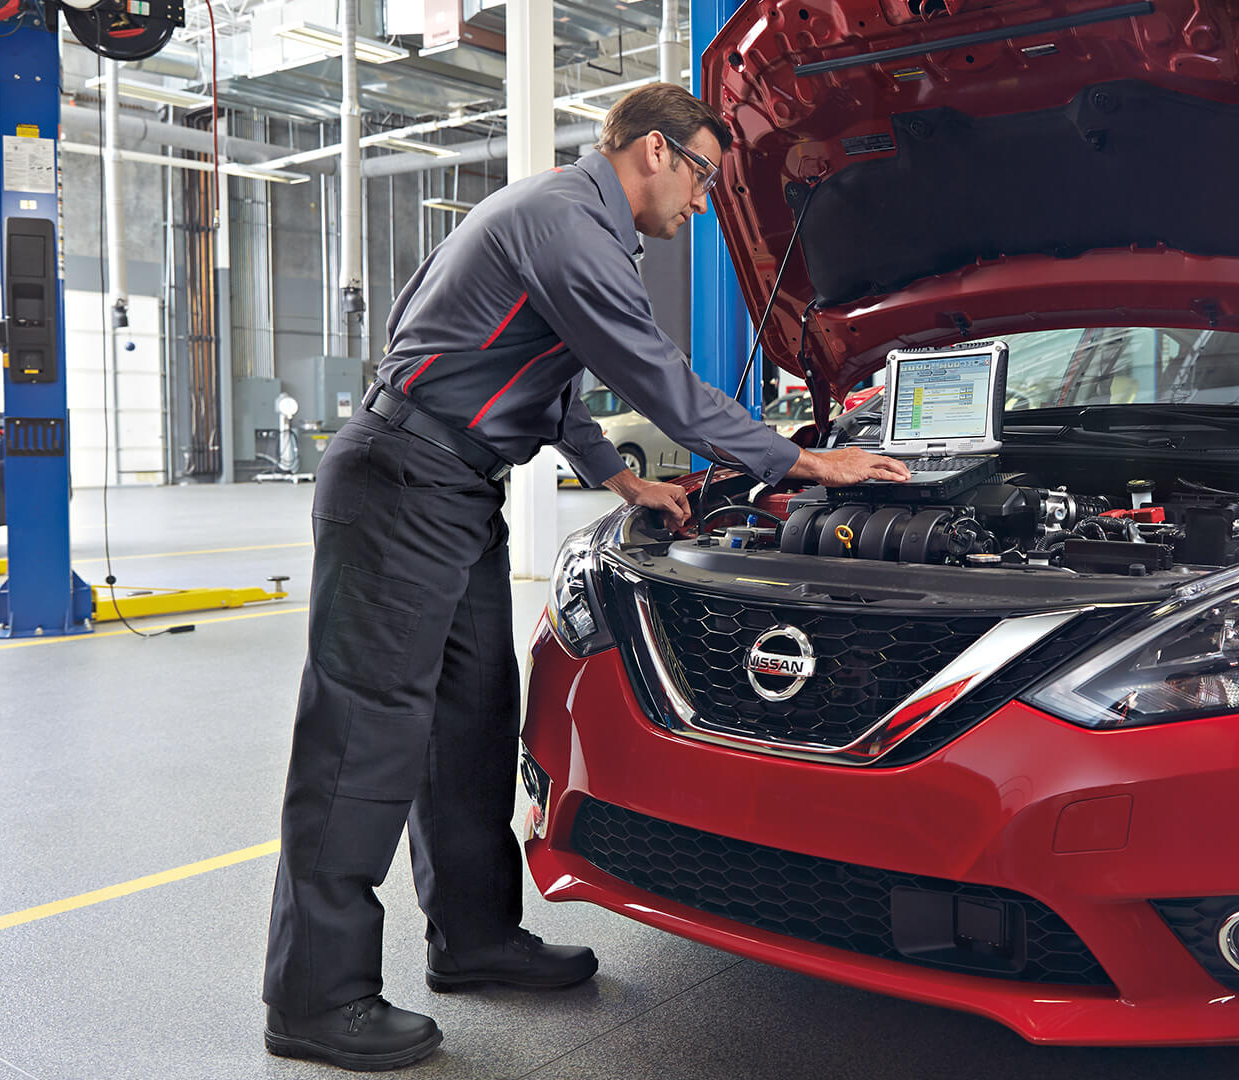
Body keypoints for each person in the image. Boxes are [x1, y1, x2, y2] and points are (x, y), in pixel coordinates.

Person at [261, 82, 910, 1071]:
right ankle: (315, 996)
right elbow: (656, 374)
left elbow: (554, 378)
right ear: (655, 150)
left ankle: (473, 940)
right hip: (402, 481)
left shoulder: (569, 228)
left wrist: (615, 476)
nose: (703, 202)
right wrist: (806, 463)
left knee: (472, 719)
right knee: (363, 737)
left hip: (454, 485)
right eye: (701, 175)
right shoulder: (566, 220)